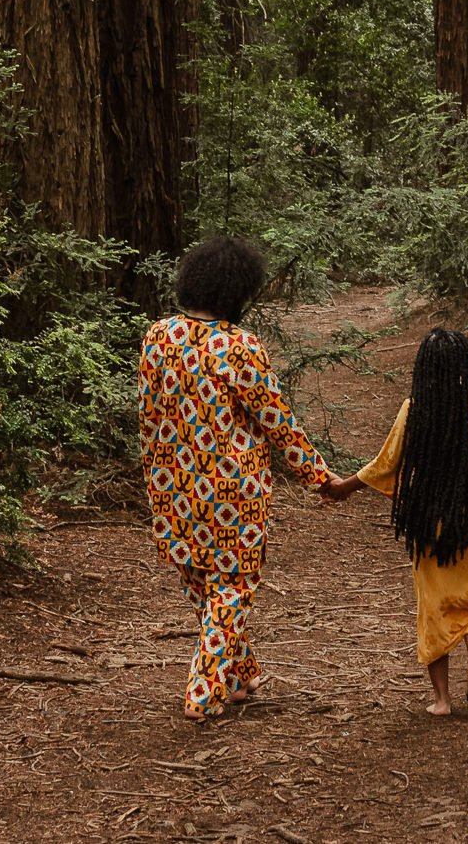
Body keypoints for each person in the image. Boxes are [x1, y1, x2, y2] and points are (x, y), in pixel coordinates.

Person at [137, 236, 334, 720]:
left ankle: (240, 675)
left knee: (206, 589)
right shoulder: (241, 346)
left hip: (171, 488)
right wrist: (320, 478)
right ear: (238, 291)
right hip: (234, 493)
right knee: (230, 590)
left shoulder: (156, 336)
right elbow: (277, 422)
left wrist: (156, 480)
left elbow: (147, 413)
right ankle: (202, 695)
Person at [321, 327, 468, 715]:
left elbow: (387, 463)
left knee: (434, 605)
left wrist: (345, 488)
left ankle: (441, 700)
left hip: (435, 522)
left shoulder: (417, 407)